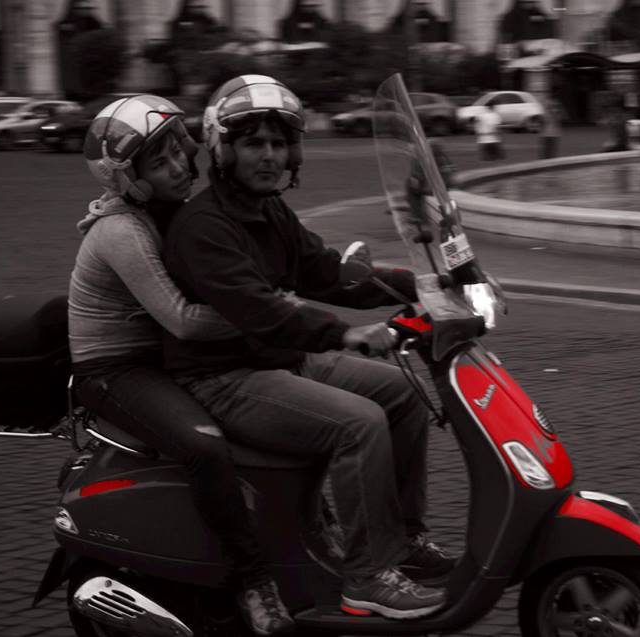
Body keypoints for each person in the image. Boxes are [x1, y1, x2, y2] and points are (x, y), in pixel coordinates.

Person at [162, 75, 454, 620]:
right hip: (224, 379)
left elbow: (325, 273)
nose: (270, 156)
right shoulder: (203, 227)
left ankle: (405, 542)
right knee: (359, 422)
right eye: (254, 143)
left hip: (276, 361)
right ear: (223, 149)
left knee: (403, 394)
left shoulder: (268, 210)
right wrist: (345, 333)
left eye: (278, 143)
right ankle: (366, 577)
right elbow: (260, 311)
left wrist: (423, 284)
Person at [67, 95, 294, 636]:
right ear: (128, 178)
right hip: (114, 370)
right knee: (205, 445)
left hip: (158, 358)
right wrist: (270, 313)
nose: (178, 167)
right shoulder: (122, 231)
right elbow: (185, 319)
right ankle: (253, 581)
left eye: (179, 153)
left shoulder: (163, 213)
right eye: (159, 162)